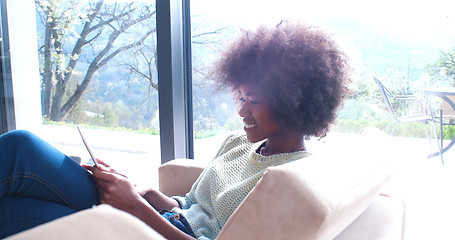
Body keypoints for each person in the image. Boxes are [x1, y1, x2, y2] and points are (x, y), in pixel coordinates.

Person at [0, 21, 349, 239]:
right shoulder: (236, 144)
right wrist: (137, 191)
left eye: (253, 100)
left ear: (293, 100)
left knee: (10, 206)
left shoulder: (287, 181)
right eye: (240, 97)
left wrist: (135, 206)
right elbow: (189, 206)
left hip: (151, 231)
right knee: (22, 148)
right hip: (156, 216)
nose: (241, 110)